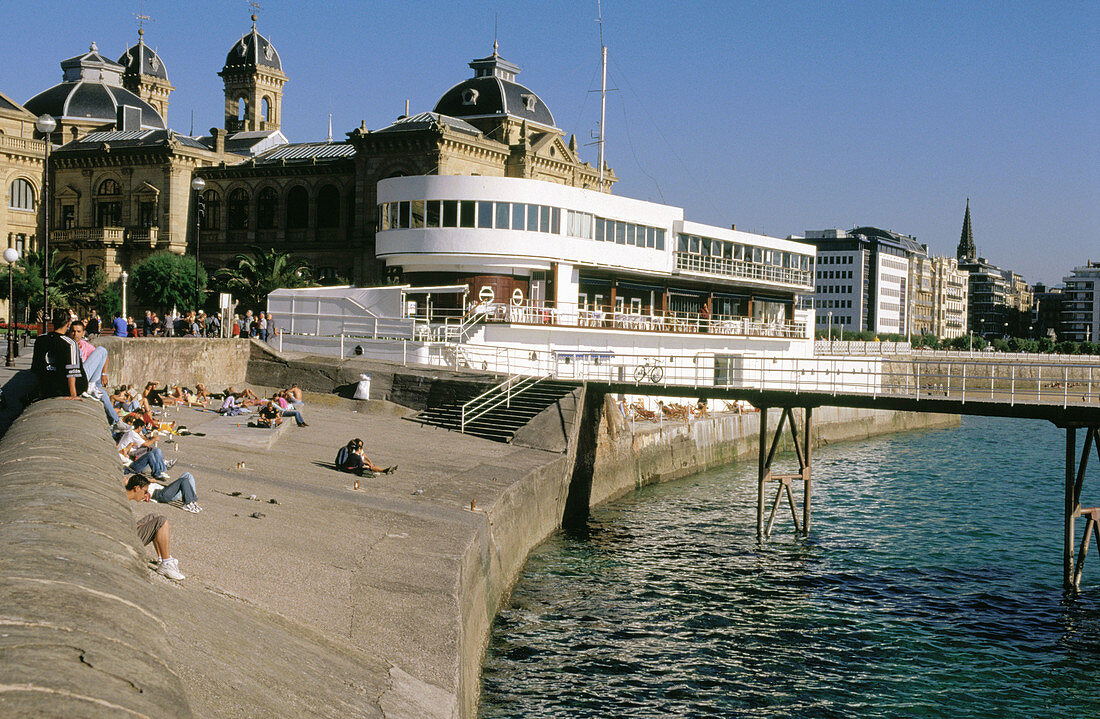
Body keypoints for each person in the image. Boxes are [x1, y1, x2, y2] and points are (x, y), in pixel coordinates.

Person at [124, 476, 186, 580]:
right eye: (145, 491)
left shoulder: (123, 497)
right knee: (161, 521)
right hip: (126, 540)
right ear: (137, 488)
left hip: (126, 531)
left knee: (154, 516)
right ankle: (166, 563)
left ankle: (162, 558)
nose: (146, 495)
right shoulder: (123, 500)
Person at [67, 319, 119, 424]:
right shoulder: (69, 345)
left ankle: (116, 422)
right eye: (73, 331)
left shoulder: (85, 345)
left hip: (86, 377)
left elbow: (105, 357)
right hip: (77, 377)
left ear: (83, 333)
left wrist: (104, 373)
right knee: (102, 350)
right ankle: (92, 385)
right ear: (69, 332)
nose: (75, 334)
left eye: (78, 331)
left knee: (103, 394)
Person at [31, 308, 87, 400]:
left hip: (47, 389)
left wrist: (41, 391)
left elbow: (37, 369)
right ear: (68, 324)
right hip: (64, 389)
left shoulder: (40, 339)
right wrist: (73, 394)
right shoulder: (70, 343)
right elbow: (72, 372)